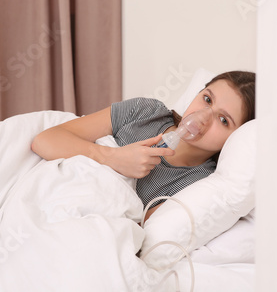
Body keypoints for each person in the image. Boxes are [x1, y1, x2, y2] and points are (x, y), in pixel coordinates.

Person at [31, 71, 255, 221]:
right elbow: (45, 140)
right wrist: (112, 157)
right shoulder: (145, 113)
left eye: (223, 120)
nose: (203, 117)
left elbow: (139, 233)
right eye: (207, 99)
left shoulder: (199, 184)